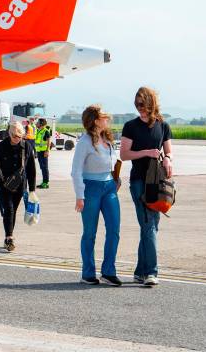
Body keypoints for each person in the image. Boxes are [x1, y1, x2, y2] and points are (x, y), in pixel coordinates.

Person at [120, 87, 173, 287]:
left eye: (142, 103)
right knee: (148, 224)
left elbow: (169, 151)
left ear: (151, 103)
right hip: (139, 181)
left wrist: (167, 159)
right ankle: (151, 272)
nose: (139, 107)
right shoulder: (130, 126)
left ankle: (139, 271)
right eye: (137, 104)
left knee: (151, 226)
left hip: (156, 181)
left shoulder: (163, 125)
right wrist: (146, 152)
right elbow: (124, 154)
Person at [72, 106, 122, 286]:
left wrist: (116, 179)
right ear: (95, 120)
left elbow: (113, 162)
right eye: (104, 117)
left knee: (114, 230)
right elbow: (76, 170)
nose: (107, 119)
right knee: (90, 233)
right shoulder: (85, 142)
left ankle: (109, 271)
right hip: (90, 188)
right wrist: (80, 195)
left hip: (109, 187)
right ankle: (88, 273)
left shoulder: (108, 139)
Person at [0, 121, 36, 252]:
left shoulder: (27, 147)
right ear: (10, 134)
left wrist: (32, 190)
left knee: (13, 210)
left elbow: (31, 169)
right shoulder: (2, 146)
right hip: (3, 183)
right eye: (14, 136)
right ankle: (9, 238)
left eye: (19, 137)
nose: (16, 139)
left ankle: (9, 234)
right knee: (8, 209)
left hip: (19, 185)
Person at [35, 118, 52, 189]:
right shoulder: (39, 131)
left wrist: (47, 151)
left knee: (45, 168)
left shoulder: (46, 131)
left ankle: (46, 183)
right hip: (39, 151)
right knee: (42, 167)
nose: (36, 124)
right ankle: (44, 182)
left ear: (41, 124)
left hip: (44, 152)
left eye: (38, 122)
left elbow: (49, 142)